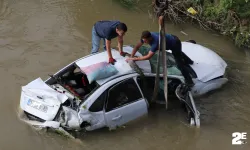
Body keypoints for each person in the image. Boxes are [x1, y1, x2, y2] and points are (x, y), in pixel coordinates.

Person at [126, 30, 195, 87]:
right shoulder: (145, 38)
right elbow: (137, 47)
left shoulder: (155, 42)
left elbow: (148, 57)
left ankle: (190, 81)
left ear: (150, 38)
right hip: (166, 43)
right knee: (178, 53)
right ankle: (190, 61)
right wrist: (132, 56)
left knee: (179, 63)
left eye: (145, 41)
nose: (144, 42)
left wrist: (135, 59)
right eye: (143, 41)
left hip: (174, 42)